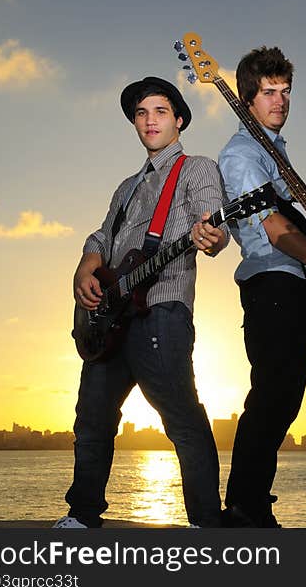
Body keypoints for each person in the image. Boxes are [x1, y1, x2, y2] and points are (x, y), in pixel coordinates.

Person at [55, 76, 228, 528]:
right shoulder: (126, 187)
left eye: (160, 112)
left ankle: (207, 526)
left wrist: (213, 235)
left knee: (182, 419)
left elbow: (215, 224)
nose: (150, 121)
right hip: (109, 320)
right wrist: (85, 265)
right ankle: (83, 516)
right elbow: (101, 237)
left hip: (163, 311)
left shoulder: (198, 168)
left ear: (179, 120)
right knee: (91, 417)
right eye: (141, 113)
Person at [218, 46, 306, 528]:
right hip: (273, 280)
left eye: (286, 92)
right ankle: (244, 507)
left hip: (298, 280)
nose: (281, 101)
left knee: (285, 399)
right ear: (248, 99)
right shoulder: (242, 153)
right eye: (269, 92)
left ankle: (254, 499)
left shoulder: (274, 149)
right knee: (270, 396)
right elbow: (269, 226)